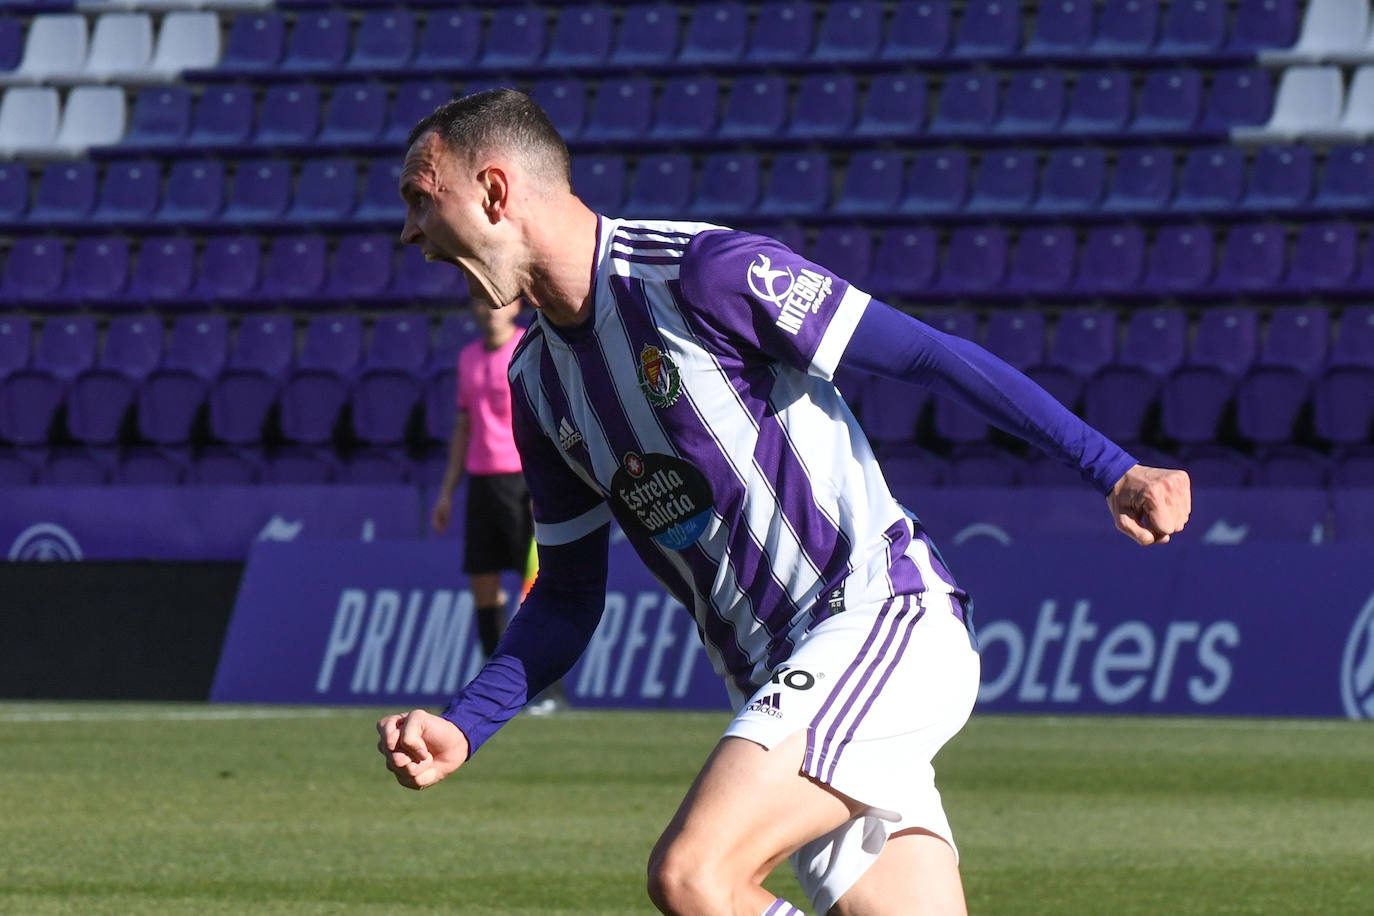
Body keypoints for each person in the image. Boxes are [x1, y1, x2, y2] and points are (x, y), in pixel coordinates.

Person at [377, 89, 1192, 916]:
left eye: (420, 197)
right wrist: (466, 724)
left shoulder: (699, 275)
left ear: (495, 190)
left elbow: (926, 356)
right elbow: (566, 594)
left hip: (878, 619)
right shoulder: (536, 384)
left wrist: (1112, 468)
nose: (410, 232)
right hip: (781, 685)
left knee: (694, 876)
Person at [430, 297, 566, 715]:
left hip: (523, 481)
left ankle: (549, 691)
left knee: (537, 589)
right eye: (479, 303)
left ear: (514, 306)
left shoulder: (529, 346)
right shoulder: (468, 358)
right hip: (481, 482)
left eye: (494, 303)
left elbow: (548, 413)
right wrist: (447, 490)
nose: (487, 310)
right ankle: (495, 691)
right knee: (484, 586)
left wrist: (547, 481)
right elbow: (464, 425)